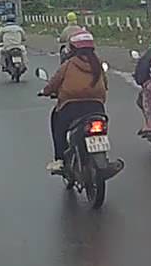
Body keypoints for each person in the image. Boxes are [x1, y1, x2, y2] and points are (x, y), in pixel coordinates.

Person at [42, 32, 109, 174]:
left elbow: (54, 83)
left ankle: (60, 159)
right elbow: (105, 84)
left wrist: (46, 91)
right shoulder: (98, 64)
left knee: (57, 123)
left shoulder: (68, 64)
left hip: (71, 108)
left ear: (72, 48)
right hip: (96, 107)